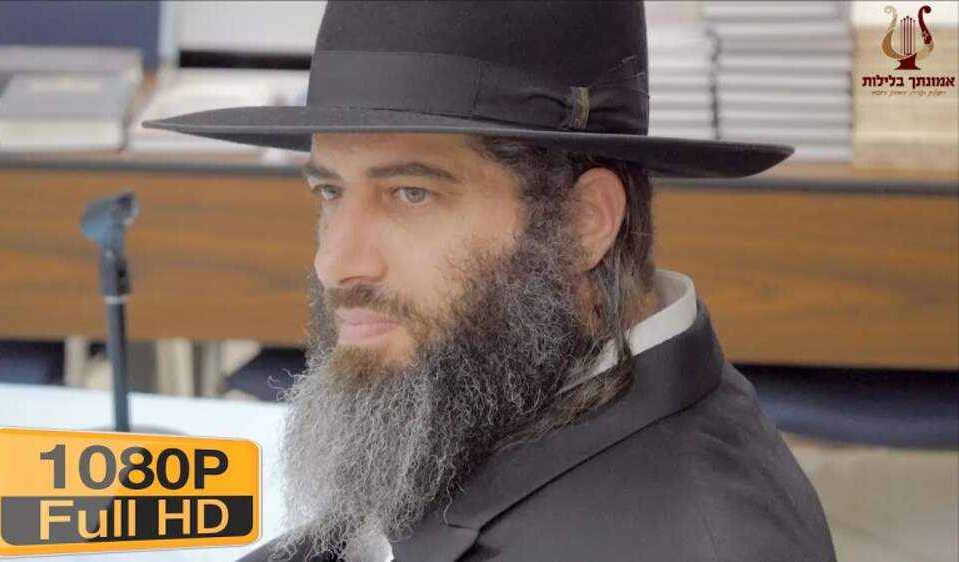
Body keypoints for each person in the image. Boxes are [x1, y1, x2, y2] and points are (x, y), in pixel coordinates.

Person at [144, 2, 837, 561]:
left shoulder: (704, 542)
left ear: (583, 222)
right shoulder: (494, 378)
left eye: (411, 194)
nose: (336, 262)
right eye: (330, 192)